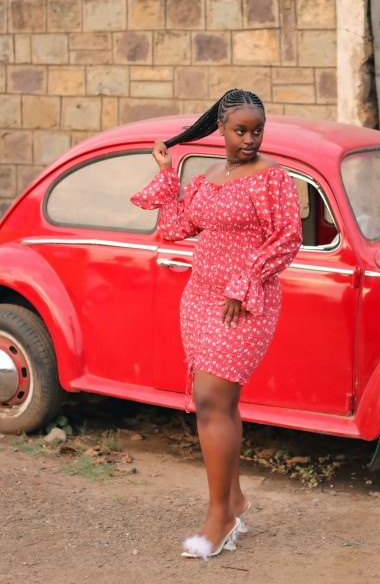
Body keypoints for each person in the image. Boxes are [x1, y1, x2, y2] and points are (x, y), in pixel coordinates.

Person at [131, 88, 303, 560]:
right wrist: (167, 174)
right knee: (221, 403)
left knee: (209, 398)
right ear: (221, 130)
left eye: (257, 130)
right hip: (200, 298)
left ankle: (219, 518)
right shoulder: (208, 175)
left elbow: (288, 239)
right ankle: (234, 499)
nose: (250, 139)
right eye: (240, 130)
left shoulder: (274, 179)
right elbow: (176, 228)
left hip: (246, 302)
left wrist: (243, 282)